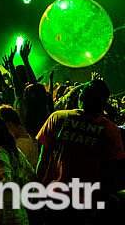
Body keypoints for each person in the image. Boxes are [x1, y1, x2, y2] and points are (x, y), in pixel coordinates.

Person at [36, 79, 125, 223]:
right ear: (103, 104)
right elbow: (113, 170)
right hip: (89, 202)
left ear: (80, 98)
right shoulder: (110, 129)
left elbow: (43, 160)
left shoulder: (58, 118)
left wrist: (37, 190)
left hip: (55, 197)